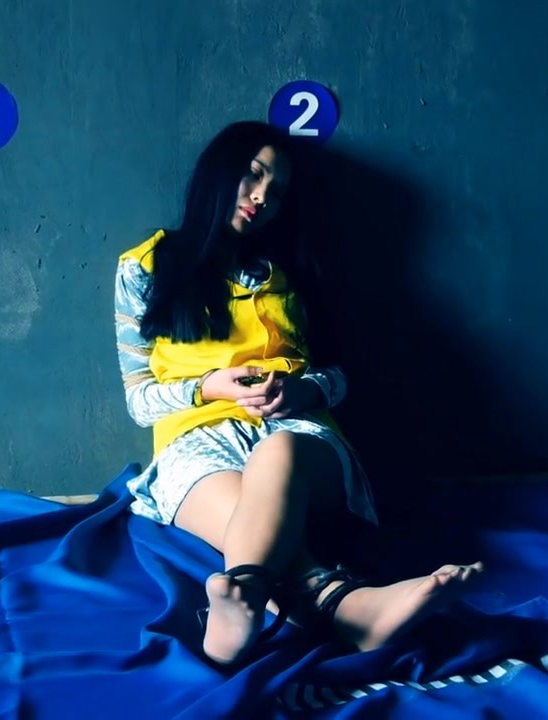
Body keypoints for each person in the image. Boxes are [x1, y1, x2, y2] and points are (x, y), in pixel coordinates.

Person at [112, 120, 483, 666]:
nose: (261, 196)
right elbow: (138, 400)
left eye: (277, 190)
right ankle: (351, 608)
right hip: (196, 442)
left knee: (277, 453)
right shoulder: (144, 266)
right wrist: (208, 387)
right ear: (219, 172)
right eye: (253, 174)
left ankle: (240, 603)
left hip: (297, 435)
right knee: (255, 528)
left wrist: (305, 391)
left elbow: (339, 377)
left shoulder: (295, 269)